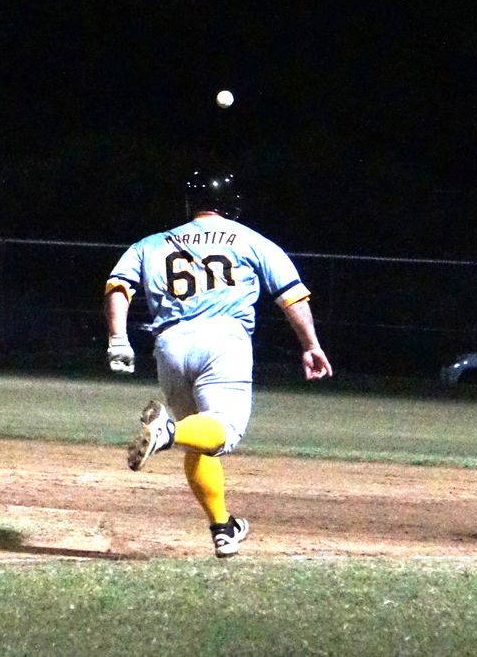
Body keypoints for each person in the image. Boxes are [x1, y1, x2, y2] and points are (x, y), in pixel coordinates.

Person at [103, 170, 333, 557]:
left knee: (201, 440)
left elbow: (118, 286)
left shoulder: (151, 243)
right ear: (230, 204)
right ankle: (164, 434)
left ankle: (223, 528)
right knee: (223, 430)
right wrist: (310, 344)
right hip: (223, 341)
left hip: (170, 347)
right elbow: (291, 296)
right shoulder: (250, 240)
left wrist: (118, 339)